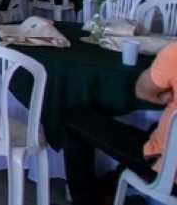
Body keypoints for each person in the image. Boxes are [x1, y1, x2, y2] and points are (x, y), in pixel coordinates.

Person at [63, 40, 177, 203]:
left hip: (166, 169)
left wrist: (165, 96)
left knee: (73, 119)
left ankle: (85, 200)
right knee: (154, 128)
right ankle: (108, 188)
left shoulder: (174, 53)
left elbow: (142, 91)